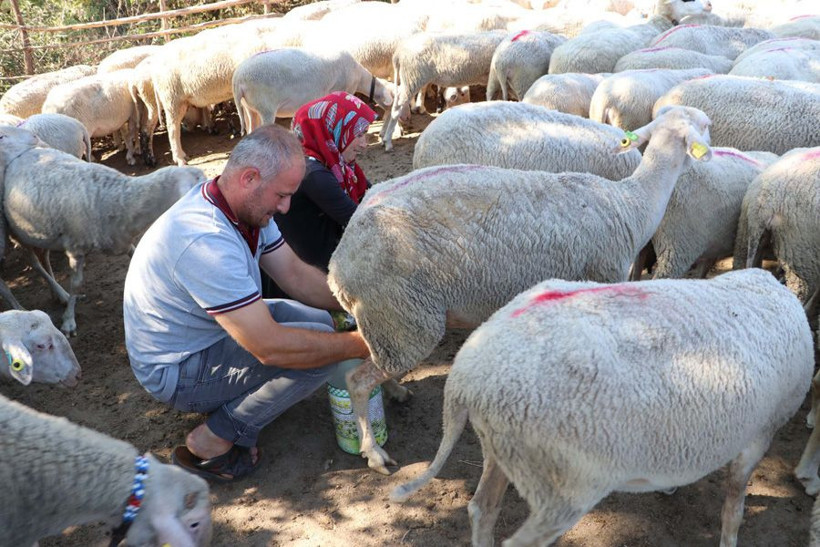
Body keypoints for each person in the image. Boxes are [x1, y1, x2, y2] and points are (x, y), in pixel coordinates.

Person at [122, 124, 370, 482]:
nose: (286, 208)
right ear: (250, 178)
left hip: (205, 335)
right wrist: (364, 343)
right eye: (282, 195)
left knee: (320, 324)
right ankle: (214, 437)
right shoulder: (206, 240)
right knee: (314, 358)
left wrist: (359, 303)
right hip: (174, 370)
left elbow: (295, 275)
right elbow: (271, 348)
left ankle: (232, 406)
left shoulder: (245, 208)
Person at [262, 91, 376, 299]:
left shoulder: (337, 165)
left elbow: (372, 194)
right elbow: (362, 220)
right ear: (332, 131)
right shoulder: (313, 174)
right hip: (305, 284)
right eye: (358, 135)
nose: (364, 144)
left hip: (317, 266)